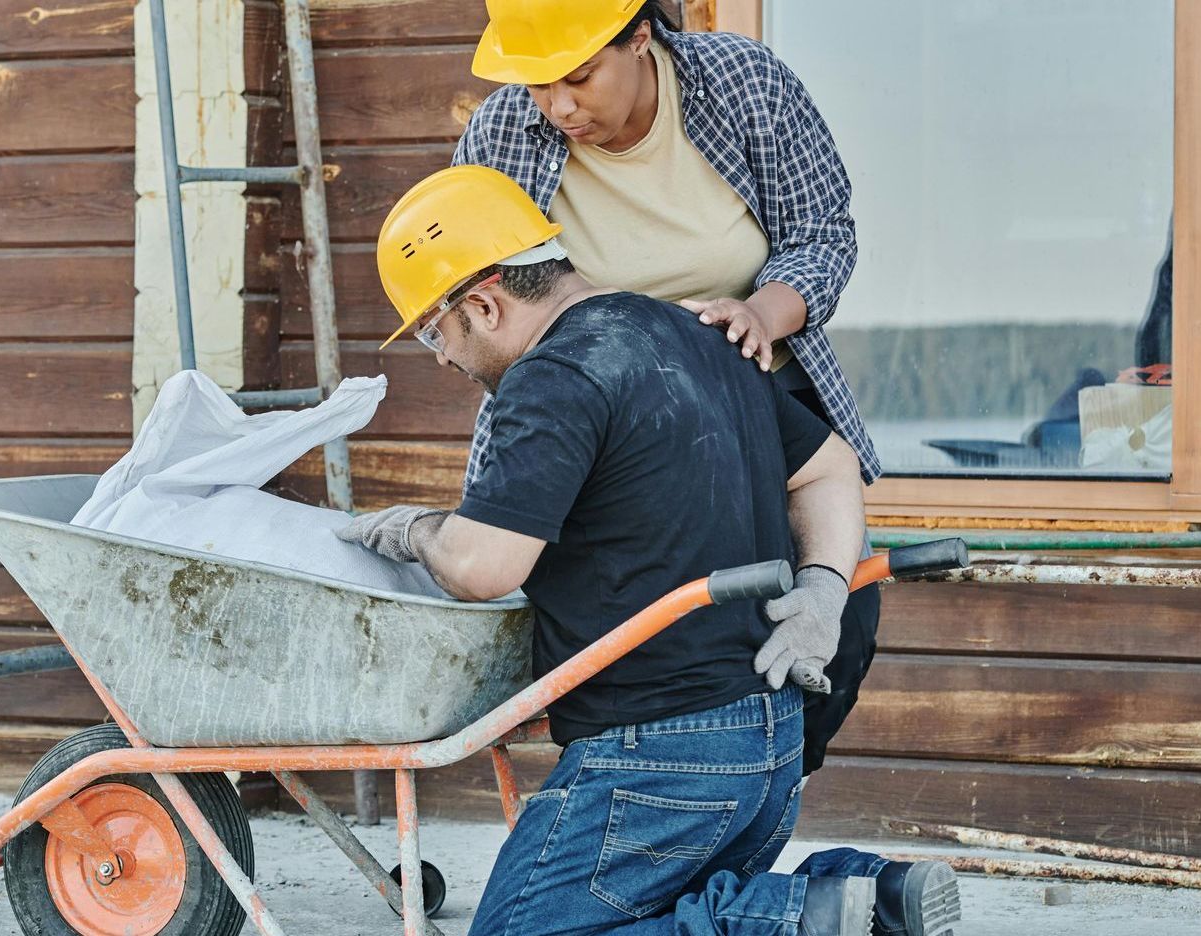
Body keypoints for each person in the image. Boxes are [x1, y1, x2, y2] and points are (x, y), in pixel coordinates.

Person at [336, 165, 960, 936]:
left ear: (485, 303)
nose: (439, 357)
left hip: (657, 762)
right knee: (662, 912)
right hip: (768, 745)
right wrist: (826, 586)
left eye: (436, 330)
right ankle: (870, 897)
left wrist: (414, 530)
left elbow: (481, 566)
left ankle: (791, 919)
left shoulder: (554, 376)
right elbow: (829, 467)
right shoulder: (699, 333)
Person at [456, 0, 882, 777]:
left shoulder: (741, 84)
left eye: (579, 77)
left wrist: (761, 313)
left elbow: (823, 234)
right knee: (622, 648)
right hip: (598, 436)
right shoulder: (500, 134)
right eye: (536, 84)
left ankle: (756, 801)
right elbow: (469, 290)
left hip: (755, 405)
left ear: (641, 37)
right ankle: (642, 818)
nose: (557, 106)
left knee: (835, 630)